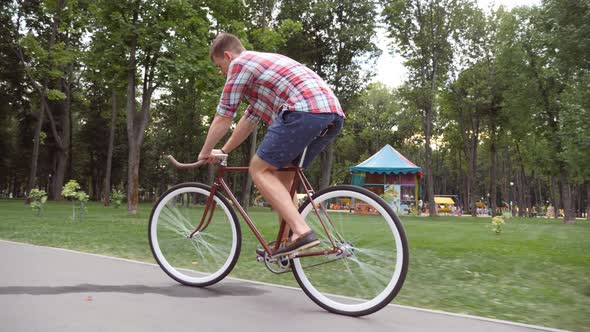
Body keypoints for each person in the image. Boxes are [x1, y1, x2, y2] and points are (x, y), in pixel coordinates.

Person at [198, 33, 345, 258]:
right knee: (282, 174)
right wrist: (224, 150)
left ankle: (301, 231)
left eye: (220, 67)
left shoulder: (239, 64)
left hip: (303, 109)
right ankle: (286, 244)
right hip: (331, 114)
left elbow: (224, 117)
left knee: (258, 169)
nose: (222, 73)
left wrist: (205, 150)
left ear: (227, 56)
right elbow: (248, 121)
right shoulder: (262, 68)